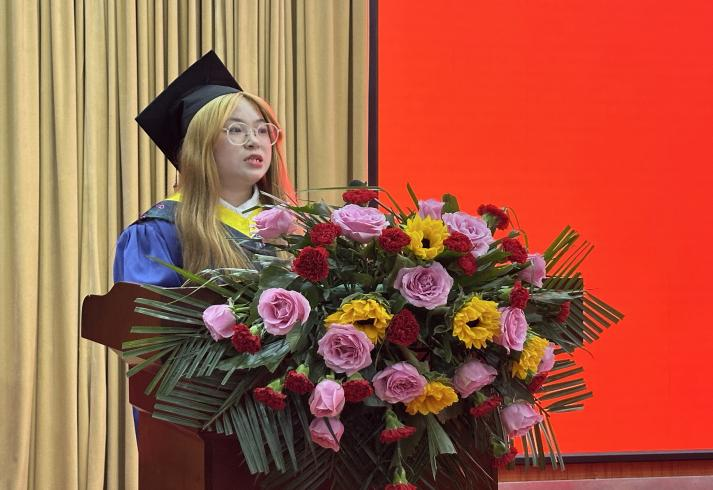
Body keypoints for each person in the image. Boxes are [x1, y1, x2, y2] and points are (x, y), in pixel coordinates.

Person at [114, 50, 293, 288]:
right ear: (200, 145)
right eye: (236, 130)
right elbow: (144, 309)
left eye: (262, 130)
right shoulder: (160, 231)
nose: (254, 141)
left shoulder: (293, 229)